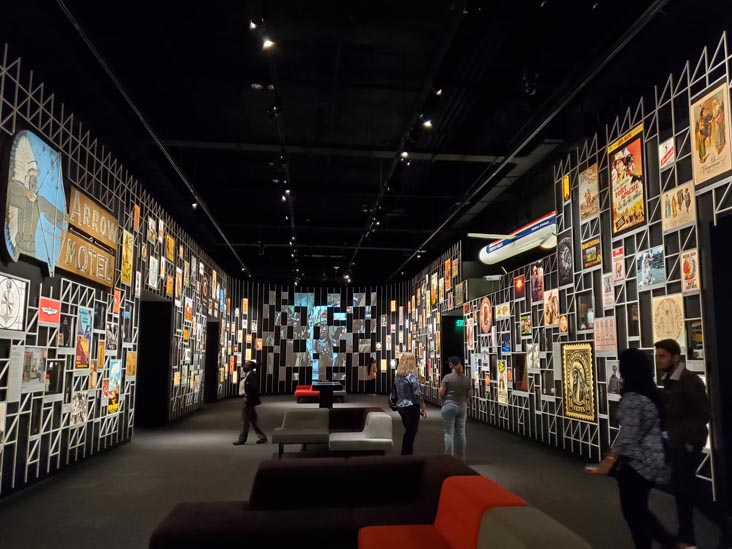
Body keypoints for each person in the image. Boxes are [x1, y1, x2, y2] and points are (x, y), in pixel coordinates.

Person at [588, 348, 677, 549]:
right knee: (639, 510)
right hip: (654, 458)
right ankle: (672, 544)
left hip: (637, 463)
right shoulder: (649, 391)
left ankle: (671, 544)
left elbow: (628, 436)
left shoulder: (633, 398)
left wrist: (609, 461)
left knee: (634, 512)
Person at [655, 339, 710, 548]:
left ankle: (724, 525)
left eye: (662, 356)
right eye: (657, 356)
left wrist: (688, 441)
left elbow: (703, 413)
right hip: (677, 443)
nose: (659, 360)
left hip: (687, 444)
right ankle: (686, 536)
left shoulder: (689, 380)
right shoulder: (670, 380)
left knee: (690, 490)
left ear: (675, 357)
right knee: (682, 491)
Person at [439, 356, 473, 462]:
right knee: (461, 433)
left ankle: (449, 458)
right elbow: (470, 394)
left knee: (449, 433)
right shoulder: (466, 379)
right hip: (462, 407)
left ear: (451, 365)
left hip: (448, 406)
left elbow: (441, 392)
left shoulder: (447, 378)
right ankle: (461, 458)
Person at [393, 352, 426, 455]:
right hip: (411, 406)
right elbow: (417, 393)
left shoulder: (398, 375)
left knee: (408, 430)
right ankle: (406, 454)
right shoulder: (412, 375)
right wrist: (422, 405)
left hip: (400, 406)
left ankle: (406, 453)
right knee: (411, 432)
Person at [233, 360, 267, 446]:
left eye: (246, 365)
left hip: (249, 401)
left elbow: (253, 387)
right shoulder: (249, 375)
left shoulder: (252, 375)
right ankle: (262, 437)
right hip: (249, 400)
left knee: (245, 420)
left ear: (250, 367)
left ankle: (242, 439)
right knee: (253, 420)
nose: (244, 366)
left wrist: (248, 395)